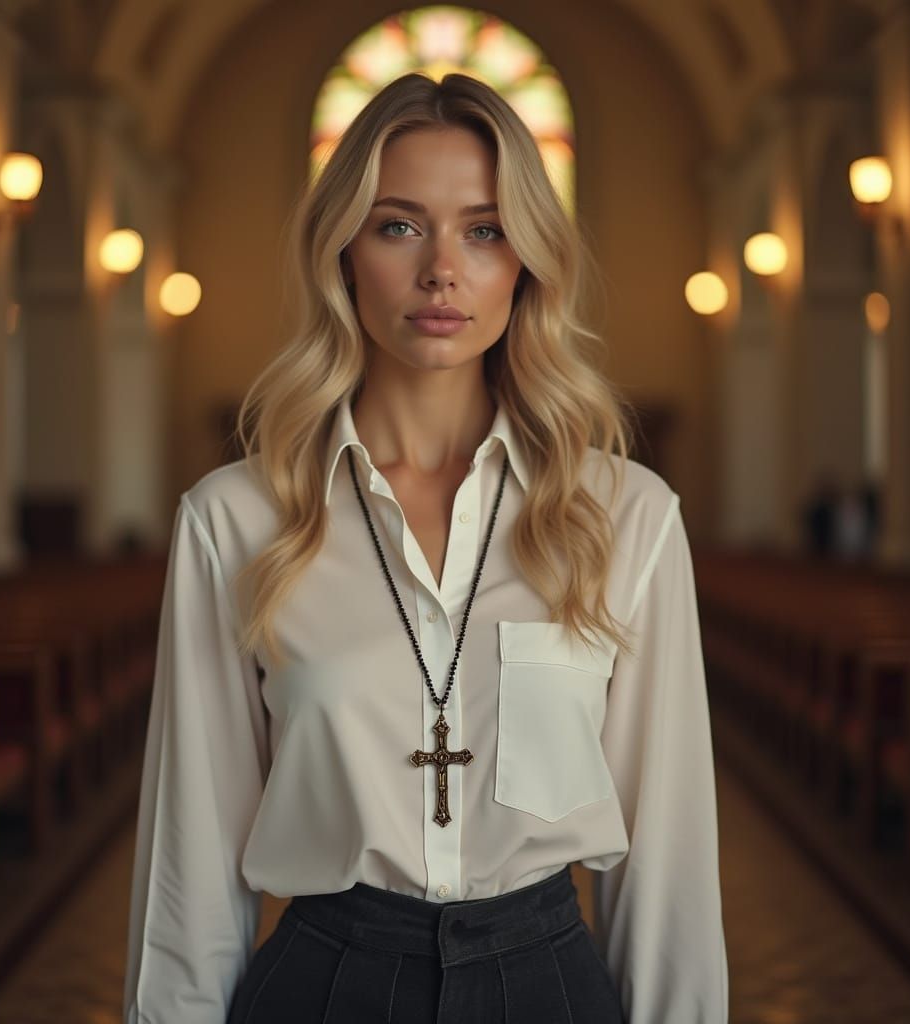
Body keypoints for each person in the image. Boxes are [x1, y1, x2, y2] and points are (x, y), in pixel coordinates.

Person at [122, 71, 727, 1023]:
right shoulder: (236, 521)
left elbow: (670, 862)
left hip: (548, 989)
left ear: (526, 259)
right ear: (344, 253)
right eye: (399, 225)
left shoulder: (625, 516)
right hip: (322, 986)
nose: (442, 269)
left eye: (484, 230)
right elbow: (188, 866)